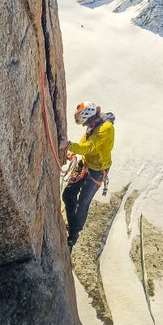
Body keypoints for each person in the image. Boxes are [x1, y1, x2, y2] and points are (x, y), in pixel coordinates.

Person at [59, 102, 114, 249]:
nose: (85, 126)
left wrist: (68, 145)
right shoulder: (95, 124)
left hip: (97, 171)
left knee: (83, 203)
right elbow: (86, 138)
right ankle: (73, 225)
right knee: (68, 195)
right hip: (86, 165)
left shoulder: (105, 129)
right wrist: (75, 151)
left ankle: (73, 234)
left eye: (85, 123)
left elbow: (89, 146)